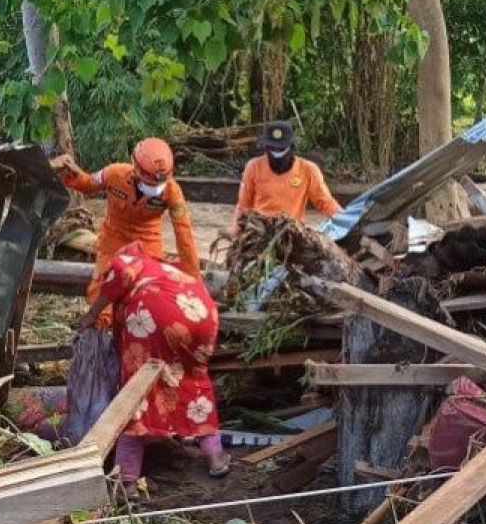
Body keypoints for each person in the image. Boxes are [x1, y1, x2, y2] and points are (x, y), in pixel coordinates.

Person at [78, 242, 230, 492]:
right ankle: (215, 457)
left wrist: (92, 314)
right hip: (203, 314)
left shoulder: (131, 260)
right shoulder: (166, 269)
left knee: (136, 396)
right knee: (194, 383)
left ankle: (126, 479)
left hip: (154, 311)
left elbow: (120, 271)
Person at [50, 138, 200, 327]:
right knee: (101, 297)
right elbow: (88, 183)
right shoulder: (113, 174)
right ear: (135, 167)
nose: (152, 189)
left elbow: (184, 233)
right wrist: (71, 172)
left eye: (157, 186)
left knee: (148, 302)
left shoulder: (172, 192)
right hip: (113, 244)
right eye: (149, 184)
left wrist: (193, 278)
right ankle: (101, 341)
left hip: (148, 249)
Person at [231, 120, 342, 236]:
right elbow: (243, 205)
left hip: (292, 233)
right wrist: (235, 233)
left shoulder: (308, 170)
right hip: (260, 232)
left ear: (291, 147)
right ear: (266, 147)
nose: (277, 153)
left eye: (281, 148)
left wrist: (346, 222)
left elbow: (325, 202)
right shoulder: (253, 167)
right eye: (273, 148)